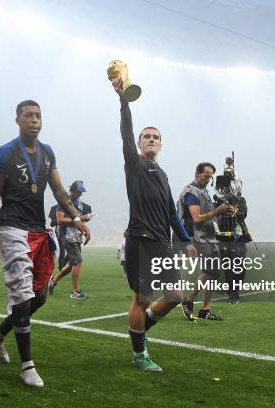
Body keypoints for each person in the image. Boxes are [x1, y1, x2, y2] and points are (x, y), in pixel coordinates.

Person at [0, 100, 91, 387]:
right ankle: (27, 366)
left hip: (38, 231)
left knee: (40, 296)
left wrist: (77, 218)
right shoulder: (5, 153)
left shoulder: (47, 152)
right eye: (28, 115)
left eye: (38, 115)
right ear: (17, 120)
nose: (34, 120)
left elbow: (58, 190)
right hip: (12, 229)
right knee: (21, 296)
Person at [111, 78, 194, 372]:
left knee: (174, 296)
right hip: (141, 239)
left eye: (155, 137)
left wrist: (186, 240)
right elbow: (125, 134)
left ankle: (138, 330)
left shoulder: (163, 174)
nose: (150, 139)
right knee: (142, 297)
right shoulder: (133, 164)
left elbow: (172, 211)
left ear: (161, 144)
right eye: (146, 136)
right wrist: (124, 102)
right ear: (139, 143)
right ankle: (138, 354)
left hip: (163, 243)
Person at [178, 162, 235, 320]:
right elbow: (196, 218)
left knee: (213, 273)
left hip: (208, 237)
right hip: (196, 237)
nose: (208, 180)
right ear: (197, 173)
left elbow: (209, 214)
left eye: (210, 178)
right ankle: (189, 300)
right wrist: (218, 210)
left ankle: (204, 309)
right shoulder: (191, 191)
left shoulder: (204, 191)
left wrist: (224, 211)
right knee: (212, 271)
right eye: (205, 176)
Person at [49, 180, 92, 299]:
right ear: (72, 191)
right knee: (78, 261)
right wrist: (80, 219)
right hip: (66, 235)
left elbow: (79, 221)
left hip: (76, 236)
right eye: (78, 192)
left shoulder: (79, 204)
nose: (80, 194)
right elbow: (60, 220)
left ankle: (54, 280)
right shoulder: (63, 203)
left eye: (81, 192)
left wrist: (85, 229)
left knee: (72, 262)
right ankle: (75, 292)